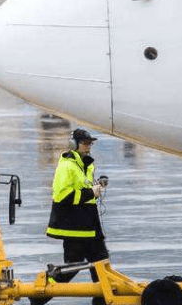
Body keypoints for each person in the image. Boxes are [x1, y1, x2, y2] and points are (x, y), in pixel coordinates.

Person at [30, 128, 109, 305]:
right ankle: (39, 295)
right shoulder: (67, 165)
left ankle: (102, 301)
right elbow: (61, 195)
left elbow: (81, 188)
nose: (88, 147)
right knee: (74, 266)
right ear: (74, 145)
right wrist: (91, 193)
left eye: (90, 144)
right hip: (77, 229)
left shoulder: (85, 164)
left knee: (101, 266)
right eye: (85, 143)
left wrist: (96, 186)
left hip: (89, 227)